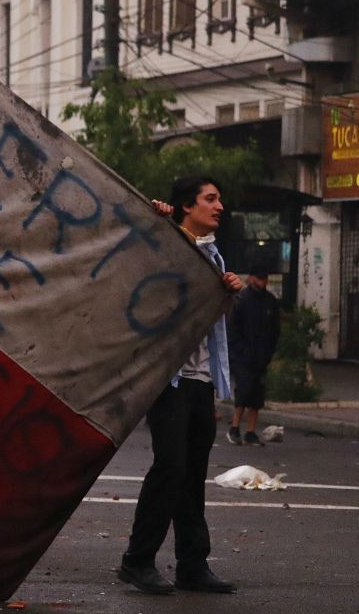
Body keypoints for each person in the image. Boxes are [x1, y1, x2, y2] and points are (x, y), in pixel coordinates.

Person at [118, 176, 244, 597]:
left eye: (219, 199)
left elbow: (209, 319)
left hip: (201, 381)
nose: (219, 206)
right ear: (187, 207)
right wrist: (155, 221)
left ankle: (193, 564)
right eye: (210, 199)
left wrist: (229, 291)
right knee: (169, 466)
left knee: (192, 473)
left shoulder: (215, 258)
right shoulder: (166, 243)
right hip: (169, 380)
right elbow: (138, 272)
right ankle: (137, 561)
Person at [227, 265, 281, 447]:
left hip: (261, 356)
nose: (262, 282)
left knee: (257, 395)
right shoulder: (242, 299)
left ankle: (250, 431)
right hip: (244, 356)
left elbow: (275, 331)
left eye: (264, 278)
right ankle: (234, 427)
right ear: (251, 278)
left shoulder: (270, 301)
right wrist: (240, 350)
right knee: (243, 390)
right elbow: (233, 328)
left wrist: (268, 353)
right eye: (258, 278)